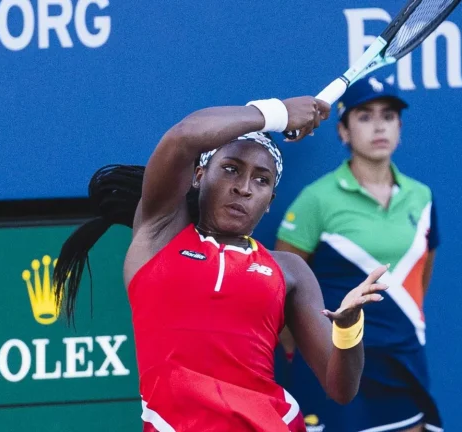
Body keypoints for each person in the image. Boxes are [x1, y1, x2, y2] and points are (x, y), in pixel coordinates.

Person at [51, 95, 391, 431]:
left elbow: (341, 389)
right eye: (230, 169)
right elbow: (184, 136)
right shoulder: (159, 236)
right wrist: (276, 113)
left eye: (261, 180)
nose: (244, 188)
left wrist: (347, 329)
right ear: (199, 175)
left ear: (270, 201)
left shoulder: (289, 271)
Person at [275, 77, 442, 432]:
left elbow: (422, 275)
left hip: (402, 357)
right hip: (338, 363)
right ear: (343, 131)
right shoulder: (316, 200)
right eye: (364, 116)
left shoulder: (422, 197)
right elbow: (282, 286)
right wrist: (313, 353)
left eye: (389, 115)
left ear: (399, 127)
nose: (379, 125)